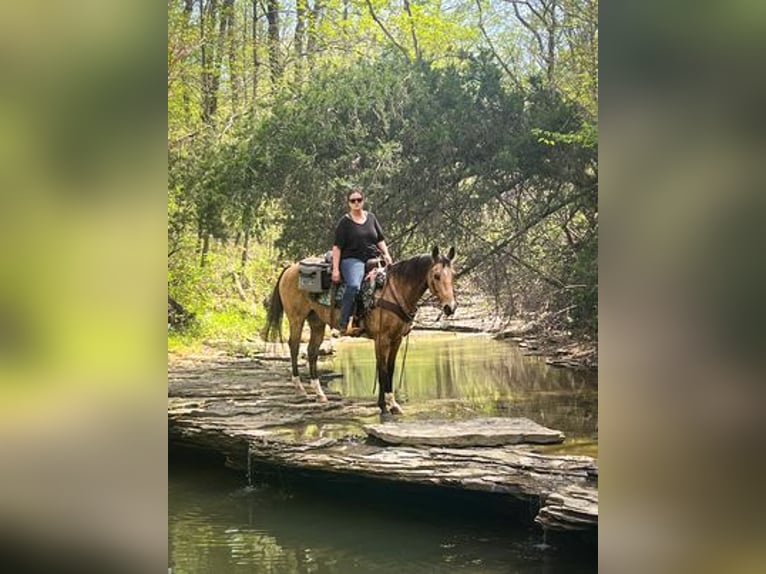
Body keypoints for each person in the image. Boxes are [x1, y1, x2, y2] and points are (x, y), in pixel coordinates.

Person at [331, 187, 393, 335]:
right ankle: (345, 322)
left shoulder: (371, 217)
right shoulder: (344, 222)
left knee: (391, 283)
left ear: (363, 201)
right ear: (349, 203)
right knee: (353, 286)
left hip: (373, 259)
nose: (356, 203)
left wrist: (387, 254)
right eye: (353, 201)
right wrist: (335, 269)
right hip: (352, 260)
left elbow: (380, 239)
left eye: (359, 200)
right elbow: (337, 247)